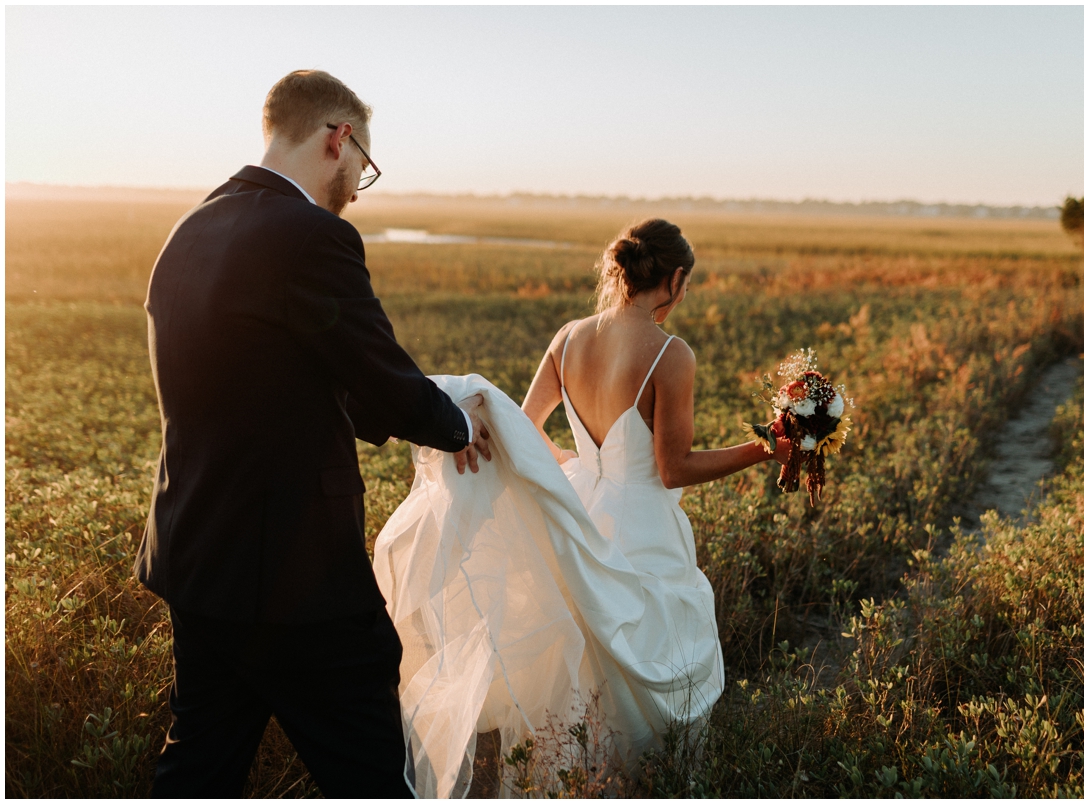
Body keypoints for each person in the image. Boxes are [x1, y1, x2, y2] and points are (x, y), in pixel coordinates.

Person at [136, 69, 491, 797]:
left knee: (198, 766)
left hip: (198, 559)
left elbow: (280, 366)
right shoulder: (310, 235)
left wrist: (386, 411)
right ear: (339, 138)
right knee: (371, 775)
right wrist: (458, 426)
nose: (360, 184)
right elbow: (376, 372)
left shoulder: (191, 228)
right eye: (366, 164)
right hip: (295, 573)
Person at [373, 218, 790, 796]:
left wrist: (576, 464)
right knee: (647, 649)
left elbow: (525, 429)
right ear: (673, 280)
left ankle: (581, 777)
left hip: (584, 510)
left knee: (588, 649)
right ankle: (645, 781)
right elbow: (675, 469)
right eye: (686, 284)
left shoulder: (568, 337)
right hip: (645, 526)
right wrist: (762, 448)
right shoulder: (672, 355)